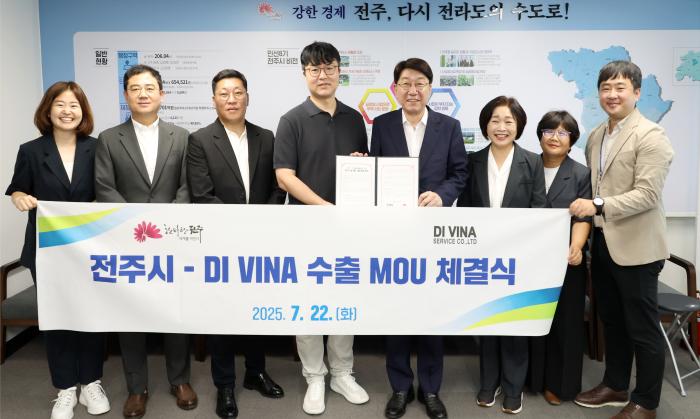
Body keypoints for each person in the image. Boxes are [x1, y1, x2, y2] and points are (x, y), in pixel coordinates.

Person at [569, 60, 673, 419]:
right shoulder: (597, 134)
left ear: (637, 92)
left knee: (642, 328)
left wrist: (597, 205)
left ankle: (646, 402)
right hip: (603, 244)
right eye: (605, 88)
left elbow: (647, 195)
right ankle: (615, 385)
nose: (612, 94)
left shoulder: (651, 136)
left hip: (638, 248)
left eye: (620, 87)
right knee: (612, 320)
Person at [94, 64, 196, 418]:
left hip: (172, 240)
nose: (143, 94)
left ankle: (180, 380)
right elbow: (104, 187)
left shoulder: (182, 136)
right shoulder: (109, 138)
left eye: (149, 87)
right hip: (128, 242)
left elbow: (187, 186)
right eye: (135, 88)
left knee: (174, 312)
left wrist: (165, 225)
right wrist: (136, 224)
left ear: (162, 94)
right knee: (131, 314)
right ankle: (137, 388)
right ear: (126, 95)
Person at [274, 41, 370, 415]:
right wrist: (324, 207)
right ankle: (315, 375)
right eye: (314, 69)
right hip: (306, 228)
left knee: (345, 301)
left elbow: (361, 168)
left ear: (339, 71)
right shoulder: (291, 120)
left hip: (348, 229)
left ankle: (343, 372)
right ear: (304, 74)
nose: (322, 75)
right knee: (308, 304)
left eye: (329, 67)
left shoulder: (354, 119)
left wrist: (360, 165)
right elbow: (284, 176)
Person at [6, 81, 111, 419]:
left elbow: (108, 192)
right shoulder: (31, 150)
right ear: (48, 110)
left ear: (83, 111)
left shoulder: (98, 148)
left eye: (74, 105)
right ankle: (65, 388)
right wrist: (19, 198)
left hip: (89, 249)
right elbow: (18, 188)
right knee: (56, 317)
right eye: (60, 104)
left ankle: (91, 382)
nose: (67, 111)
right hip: (47, 250)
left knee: (91, 315)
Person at [370, 58, 467, 419]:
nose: (413, 90)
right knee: (396, 312)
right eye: (406, 83)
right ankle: (399, 386)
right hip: (393, 235)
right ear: (395, 88)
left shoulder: (449, 126)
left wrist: (442, 195)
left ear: (430, 88)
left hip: (432, 236)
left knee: (430, 312)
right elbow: (375, 173)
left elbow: (460, 173)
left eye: (420, 83)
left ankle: (430, 388)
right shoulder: (382, 125)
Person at [187, 68, 287, 418]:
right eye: (224, 93)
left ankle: (255, 373)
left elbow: (278, 188)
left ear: (248, 96)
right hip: (221, 242)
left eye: (238, 92)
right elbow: (202, 195)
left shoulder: (266, 137)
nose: (232, 99)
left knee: (257, 311)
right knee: (223, 315)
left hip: (260, 241)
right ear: (214, 99)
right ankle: (225, 385)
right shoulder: (200, 140)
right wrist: (240, 226)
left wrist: (259, 223)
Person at [457, 96, 546, 415]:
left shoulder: (532, 162)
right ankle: (488, 382)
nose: (501, 127)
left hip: (518, 258)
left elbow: (539, 209)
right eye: (495, 120)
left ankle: (513, 386)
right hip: (482, 257)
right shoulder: (473, 161)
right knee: (487, 320)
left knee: (514, 321)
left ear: (518, 126)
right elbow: (465, 209)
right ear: (485, 126)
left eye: (509, 121)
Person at [527, 111, 591, 405]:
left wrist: (576, 247)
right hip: (528, 259)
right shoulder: (526, 166)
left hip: (566, 259)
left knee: (565, 323)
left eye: (563, 133)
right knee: (529, 317)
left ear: (572, 140)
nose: (555, 137)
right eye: (549, 131)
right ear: (540, 135)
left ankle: (559, 385)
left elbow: (583, 217)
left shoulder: (580, 174)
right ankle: (531, 379)